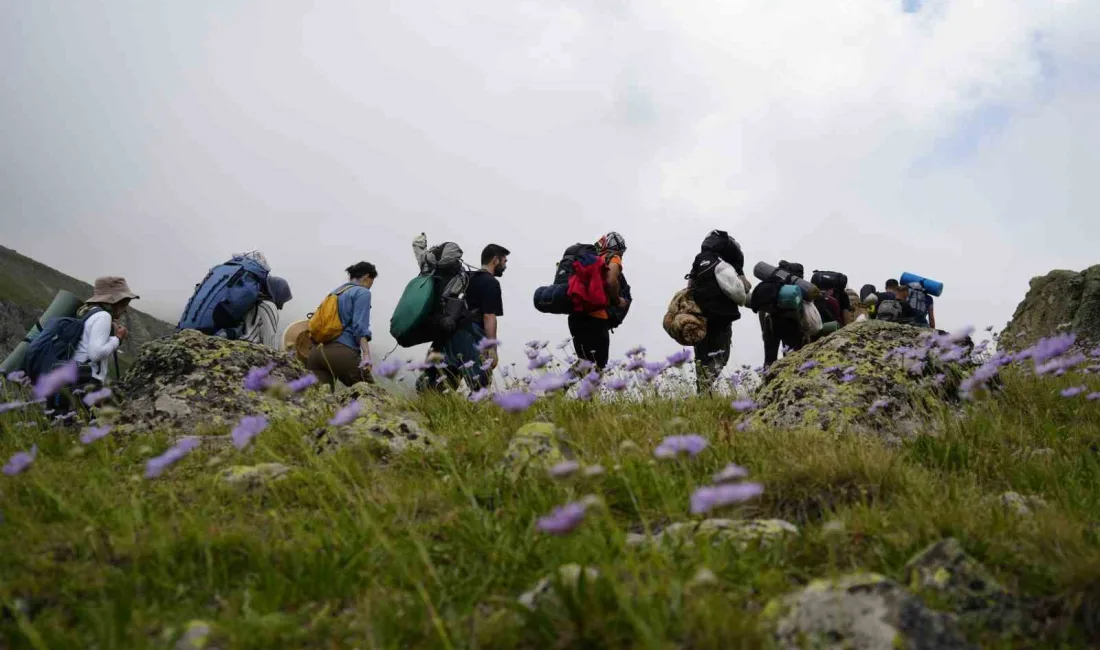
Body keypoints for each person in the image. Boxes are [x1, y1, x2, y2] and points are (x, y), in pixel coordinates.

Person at [420, 244, 509, 391]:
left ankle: (421, 408)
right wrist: (492, 348)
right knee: (480, 387)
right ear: (495, 260)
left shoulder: (464, 278)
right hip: (470, 338)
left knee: (436, 384)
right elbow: (489, 316)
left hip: (447, 334)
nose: (505, 266)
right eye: (504, 261)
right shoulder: (491, 283)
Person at [685, 230, 751, 393]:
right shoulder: (723, 265)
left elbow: (689, 288)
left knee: (701, 358)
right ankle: (706, 389)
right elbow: (740, 293)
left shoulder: (698, 263)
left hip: (699, 317)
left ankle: (702, 392)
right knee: (722, 355)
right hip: (721, 318)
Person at [306, 262, 377, 388]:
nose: (370, 287)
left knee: (322, 402)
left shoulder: (335, 293)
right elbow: (359, 327)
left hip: (316, 354)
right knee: (373, 396)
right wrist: (366, 354)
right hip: (341, 352)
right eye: (371, 283)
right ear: (367, 277)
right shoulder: (362, 292)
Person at [568, 232, 628, 370]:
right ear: (618, 248)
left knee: (585, 362)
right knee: (598, 365)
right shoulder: (612, 257)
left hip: (576, 317)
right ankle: (559, 389)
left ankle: (557, 389)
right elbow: (610, 281)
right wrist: (617, 301)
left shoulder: (590, 258)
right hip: (596, 318)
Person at [74, 276, 138, 389]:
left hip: (77, 375)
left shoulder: (90, 311)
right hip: (88, 380)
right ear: (115, 301)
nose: (126, 308)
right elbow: (95, 354)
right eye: (125, 303)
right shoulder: (103, 316)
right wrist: (118, 338)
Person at [757, 260, 808, 367]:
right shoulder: (798, 289)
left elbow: (762, 309)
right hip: (791, 323)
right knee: (791, 357)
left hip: (769, 322)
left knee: (769, 359)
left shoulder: (772, 285)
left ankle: (767, 379)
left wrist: (764, 330)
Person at [240, 276, 292, 348]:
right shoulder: (268, 306)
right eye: (282, 300)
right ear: (277, 293)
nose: (281, 307)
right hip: (249, 349)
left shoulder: (255, 301)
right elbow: (270, 343)